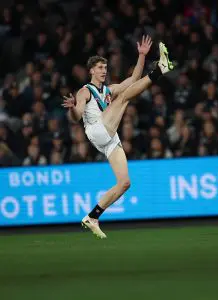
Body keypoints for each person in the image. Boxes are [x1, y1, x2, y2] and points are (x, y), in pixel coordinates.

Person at [62, 38, 174, 238]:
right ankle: (160, 70)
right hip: (97, 130)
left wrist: (141, 55)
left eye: (105, 67)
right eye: (99, 68)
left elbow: (134, 80)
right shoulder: (85, 91)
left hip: (109, 137)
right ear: (91, 71)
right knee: (123, 99)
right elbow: (77, 116)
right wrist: (71, 110)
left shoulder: (108, 90)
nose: (104, 71)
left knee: (124, 183)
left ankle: (92, 217)